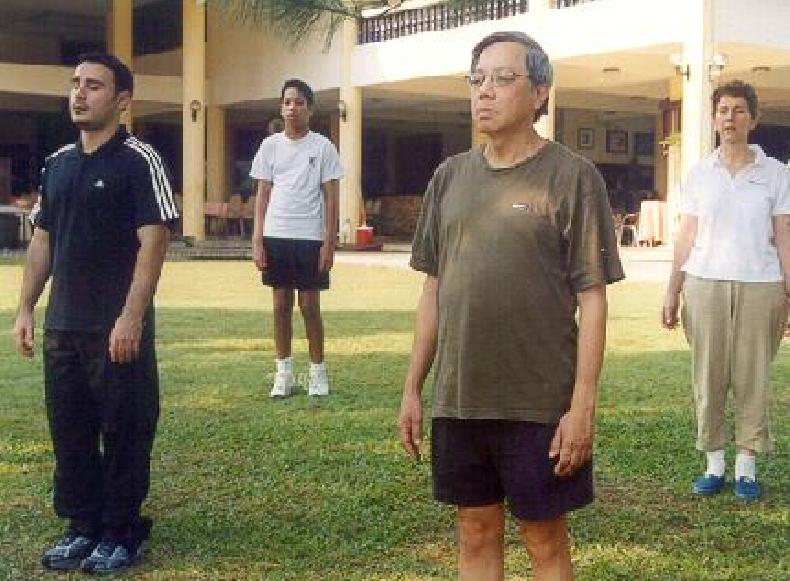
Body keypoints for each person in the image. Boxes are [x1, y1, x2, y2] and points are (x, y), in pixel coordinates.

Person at [398, 31, 623, 580]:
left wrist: (582, 407)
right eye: (477, 79)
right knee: (474, 531)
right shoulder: (449, 178)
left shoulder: (573, 177)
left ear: (540, 92)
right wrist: (413, 389)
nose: (485, 91)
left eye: (502, 79)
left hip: (538, 403)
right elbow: (433, 290)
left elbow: (593, 299)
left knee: (544, 539)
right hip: (461, 397)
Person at [12, 52, 177, 573]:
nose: (79, 94)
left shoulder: (140, 160)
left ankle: (122, 532)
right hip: (64, 326)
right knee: (71, 432)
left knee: (126, 431)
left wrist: (130, 317)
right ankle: (82, 526)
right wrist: (25, 308)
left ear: (123, 100)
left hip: (115, 329)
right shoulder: (58, 164)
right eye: (75, 83)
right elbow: (43, 241)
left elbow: (153, 242)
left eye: (94, 86)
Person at [662, 80, 790, 501]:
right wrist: (673, 287)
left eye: (738, 110)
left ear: (753, 118)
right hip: (705, 284)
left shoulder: (776, 173)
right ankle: (714, 463)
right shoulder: (700, 173)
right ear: (714, 119)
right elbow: (686, 234)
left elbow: (784, 234)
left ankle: (747, 468)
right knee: (709, 374)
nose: (729, 118)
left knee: (753, 376)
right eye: (722, 110)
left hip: (761, 285)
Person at [250, 79, 343, 397]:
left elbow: (331, 198)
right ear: (281, 108)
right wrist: (258, 240)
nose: (293, 108)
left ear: (310, 109)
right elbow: (262, 195)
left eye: (299, 102)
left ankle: (317, 372)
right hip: (276, 234)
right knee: (280, 306)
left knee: (309, 306)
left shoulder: (323, 147)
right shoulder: (270, 146)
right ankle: (284, 374)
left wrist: (329, 242)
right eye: (287, 102)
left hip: (310, 237)